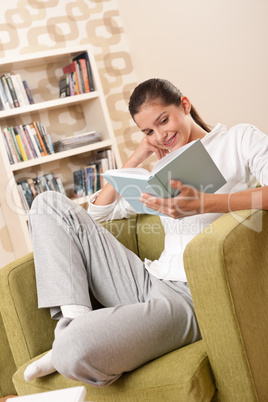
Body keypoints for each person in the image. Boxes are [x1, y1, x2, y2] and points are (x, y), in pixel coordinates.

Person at [24, 78, 268, 387]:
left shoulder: (237, 140)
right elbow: (100, 214)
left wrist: (205, 203)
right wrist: (136, 158)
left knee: (73, 350)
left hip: (191, 298)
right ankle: (74, 322)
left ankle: (68, 343)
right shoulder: (160, 171)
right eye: (149, 131)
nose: (161, 135)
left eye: (163, 120)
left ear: (184, 105)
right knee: (47, 204)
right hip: (147, 280)